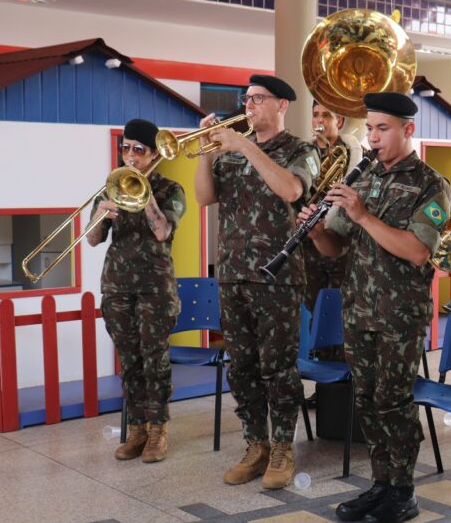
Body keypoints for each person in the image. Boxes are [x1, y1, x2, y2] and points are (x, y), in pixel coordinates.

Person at [301, 91, 451, 523]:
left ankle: (403, 492)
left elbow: (418, 251)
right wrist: (314, 233)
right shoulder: (363, 178)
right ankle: (381, 482)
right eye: (368, 129)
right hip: (359, 309)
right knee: (365, 400)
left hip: (399, 314)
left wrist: (363, 215)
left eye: (382, 128)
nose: (373, 137)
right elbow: (336, 247)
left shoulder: (431, 184)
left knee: (393, 402)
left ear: (407, 130)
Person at [194, 74, 320, 490]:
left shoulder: (301, 149)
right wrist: (202, 152)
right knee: (242, 366)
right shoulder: (228, 152)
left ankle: (284, 446)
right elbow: (204, 197)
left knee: (278, 367)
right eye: (246, 98)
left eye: (258, 99)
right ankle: (256, 443)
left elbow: (290, 189)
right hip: (232, 273)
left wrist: (244, 145)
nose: (248, 105)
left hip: (278, 276)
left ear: (282, 105)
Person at [89, 118, 185, 463]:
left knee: (155, 360)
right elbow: (92, 240)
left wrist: (143, 196)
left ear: (153, 153)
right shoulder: (110, 187)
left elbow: (162, 232)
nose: (130, 156)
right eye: (125, 148)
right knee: (129, 362)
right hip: (116, 286)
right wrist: (102, 214)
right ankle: (137, 430)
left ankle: (158, 430)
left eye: (138, 150)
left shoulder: (171, 190)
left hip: (154, 288)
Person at [303, 101, 356, 313]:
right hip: (309, 248)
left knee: (340, 313)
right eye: (315, 115)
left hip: (342, 245)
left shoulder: (355, 154)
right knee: (312, 313)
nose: (319, 120)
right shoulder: (303, 153)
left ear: (340, 121)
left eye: (326, 115)